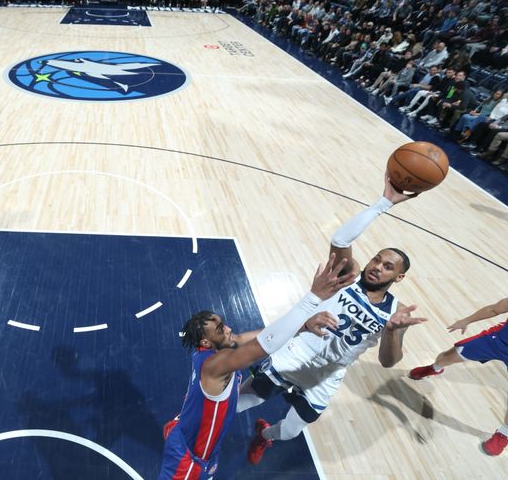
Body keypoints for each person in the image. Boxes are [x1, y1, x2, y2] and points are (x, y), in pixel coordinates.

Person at [241, 175, 426, 466]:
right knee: (242, 401)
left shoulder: (396, 311)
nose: (377, 267)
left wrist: (391, 332)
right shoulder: (348, 276)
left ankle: (264, 435)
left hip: (327, 376)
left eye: (387, 267)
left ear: (398, 277)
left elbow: (389, 362)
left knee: (289, 432)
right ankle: (192, 424)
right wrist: (384, 203)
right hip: (295, 354)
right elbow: (340, 239)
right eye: (377, 259)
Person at [158, 255, 354, 479]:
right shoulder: (216, 365)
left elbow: (248, 337)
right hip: (189, 461)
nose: (229, 329)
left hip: (198, 443)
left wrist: (304, 325)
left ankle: (179, 427)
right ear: (206, 342)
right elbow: (265, 344)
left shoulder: (206, 350)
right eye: (221, 329)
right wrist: (313, 299)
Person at [409, 296, 508, 456]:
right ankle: (435, 368)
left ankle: (503, 435)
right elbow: (495, 309)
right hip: (497, 341)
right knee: (446, 357)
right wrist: (466, 320)